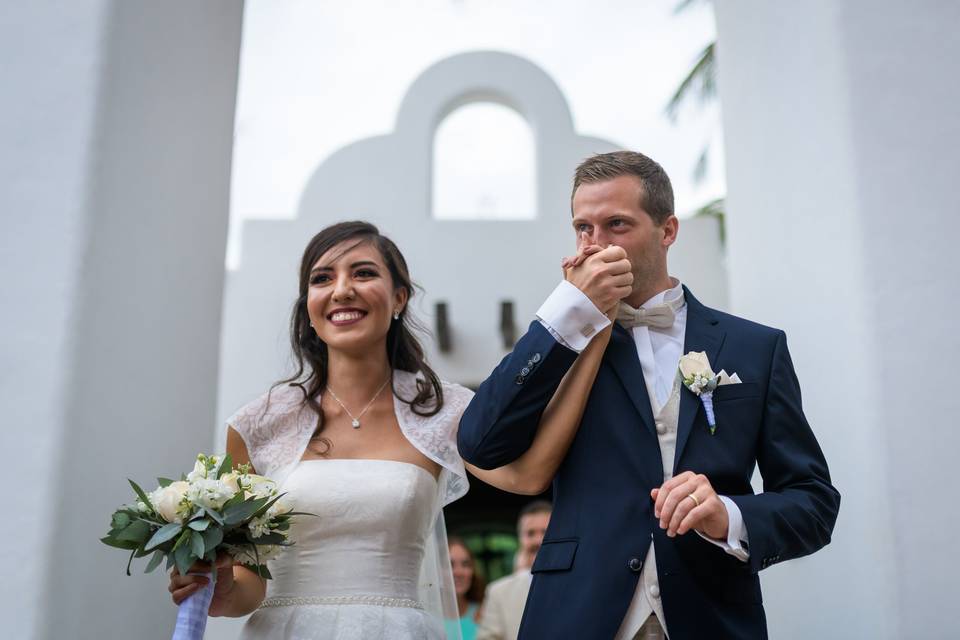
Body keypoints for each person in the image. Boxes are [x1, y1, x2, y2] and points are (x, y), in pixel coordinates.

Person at [458, 151, 841, 639]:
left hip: (712, 616)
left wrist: (730, 516)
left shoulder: (755, 348)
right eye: (583, 228)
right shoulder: (560, 342)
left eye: (616, 224)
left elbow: (814, 501)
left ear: (668, 231)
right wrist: (569, 313)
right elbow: (480, 440)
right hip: (578, 615)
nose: (595, 245)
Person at [165, 221, 612, 639]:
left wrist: (592, 337)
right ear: (308, 306)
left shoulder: (443, 409)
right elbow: (248, 585)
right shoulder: (259, 423)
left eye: (363, 273)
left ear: (399, 297)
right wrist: (218, 585)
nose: (342, 290)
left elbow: (529, 475)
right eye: (321, 279)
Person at [477, 501, 551, 640]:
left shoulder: (582, 584)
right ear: (520, 538)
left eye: (546, 532)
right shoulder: (498, 592)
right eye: (530, 533)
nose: (538, 540)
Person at [446, 537, 485, 640]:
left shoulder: (485, 613)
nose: (459, 572)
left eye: (465, 564)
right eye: (450, 565)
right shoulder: (426, 619)